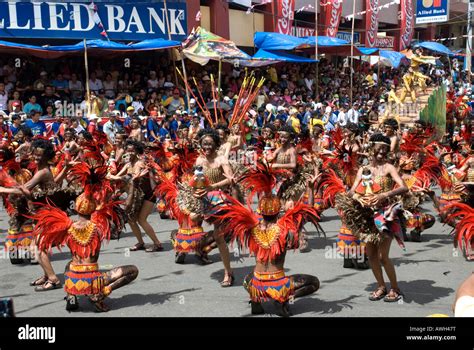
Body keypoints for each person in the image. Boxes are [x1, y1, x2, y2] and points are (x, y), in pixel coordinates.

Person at [213, 163, 320, 316]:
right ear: (279, 212)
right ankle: (283, 298)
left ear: (260, 212)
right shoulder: (285, 228)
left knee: (248, 278)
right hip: (278, 285)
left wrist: (234, 187)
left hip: (257, 285)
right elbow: (309, 211)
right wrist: (310, 187)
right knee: (314, 282)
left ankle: (256, 299)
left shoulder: (251, 228)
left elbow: (237, 208)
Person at [30, 172, 138, 312]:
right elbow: (125, 209)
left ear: (76, 208)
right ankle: (100, 294)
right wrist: (130, 189)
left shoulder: (67, 228)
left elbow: (42, 244)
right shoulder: (99, 228)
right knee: (132, 271)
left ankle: (71, 297)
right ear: (93, 210)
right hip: (93, 282)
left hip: (74, 281)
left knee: (70, 265)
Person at [336, 133, 408, 302]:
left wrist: (384, 195)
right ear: (371, 150)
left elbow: (404, 187)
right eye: (379, 150)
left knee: (383, 256)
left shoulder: (389, 167)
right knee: (371, 255)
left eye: (385, 150)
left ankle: (395, 288)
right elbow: (352, 190)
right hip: (367, 217)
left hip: (385, 216)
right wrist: (357, 197)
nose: (382, 154)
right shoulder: (364, 169)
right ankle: (381, 286)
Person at [194, 129, 235, 286]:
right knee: (191, 219)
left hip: (220, 199)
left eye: (210, 143)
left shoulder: (222, 160)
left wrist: (213, 187)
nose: (207, 146)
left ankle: (228, 272)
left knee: (219, 237)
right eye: (205, 144)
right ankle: (199, 249)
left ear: (216, 145)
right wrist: (196, 189)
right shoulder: (199, 161)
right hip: (204, 199)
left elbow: (231, 179)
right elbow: (197, 179)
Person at [107, 140, 163, 252]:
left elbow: (133, 178)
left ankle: (157, 244)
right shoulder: (128, 165)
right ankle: (141, 242)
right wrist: (114, 176)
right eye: (128, 150)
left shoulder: (140, 163)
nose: (130, 153)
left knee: (142, 220)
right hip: (136, 196)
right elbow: (114, 177)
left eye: (132, 151)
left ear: (137, 151)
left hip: (148, 195)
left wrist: (118, 178)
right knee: (131, 219)